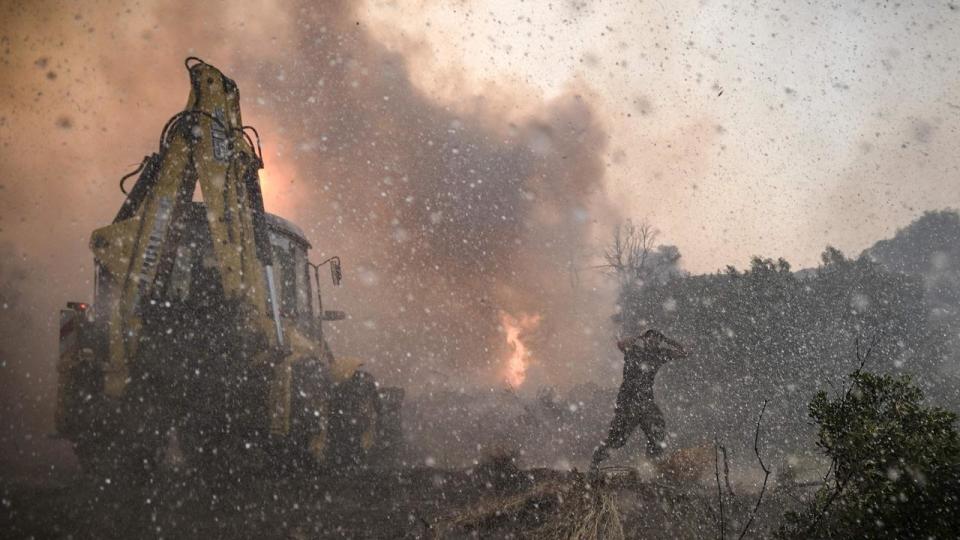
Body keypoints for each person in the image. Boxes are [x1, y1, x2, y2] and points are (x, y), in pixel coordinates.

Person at [591, 329, 687, 469]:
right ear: (645, 340)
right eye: (650, 339)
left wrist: (666, 339)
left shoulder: (659, 355)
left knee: (657, 429)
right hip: (628, 401)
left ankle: (652, 466)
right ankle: (595, 462)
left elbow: (684, 352)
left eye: (656, 340)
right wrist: (639, 336)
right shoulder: (634, 350)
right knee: (618, 439)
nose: (653, 342)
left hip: (646, 401)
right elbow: (621, 344)